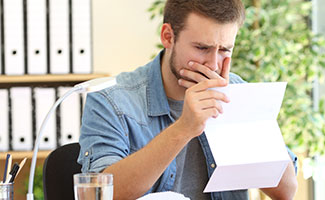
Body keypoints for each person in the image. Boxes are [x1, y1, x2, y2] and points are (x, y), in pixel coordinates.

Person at [77, 0, 298, 199]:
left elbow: (287, 190)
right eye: (202, 48)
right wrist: (184, 128)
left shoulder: (237, 92)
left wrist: (236, 112)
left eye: (224, 50)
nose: (213, 64)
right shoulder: (111, 102)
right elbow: (101, 194)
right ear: (168, 37)